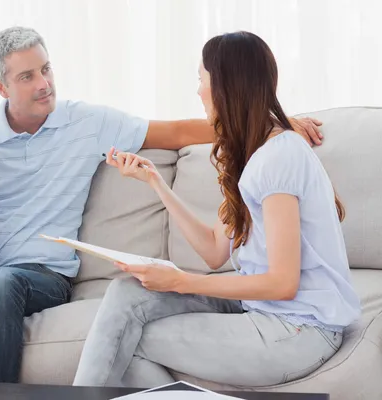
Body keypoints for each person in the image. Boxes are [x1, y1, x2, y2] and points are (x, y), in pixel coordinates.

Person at [0, 27, 324, 383]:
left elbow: (179, 133)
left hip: (39, 275)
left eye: (46, 69)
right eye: (27, 76)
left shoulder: (88, 122)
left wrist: (271, 121)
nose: (44, 84)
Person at [73, 31, 361, 388]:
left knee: (126, 340)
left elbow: (284, 283)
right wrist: (155, 183)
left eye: (201, 79)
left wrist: (179, 281)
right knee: (125, 294)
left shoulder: (279, 157)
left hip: (299, 331)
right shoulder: (254, 152)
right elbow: (213, 251)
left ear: (225, 86)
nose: (197, 91)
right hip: (260, 310)